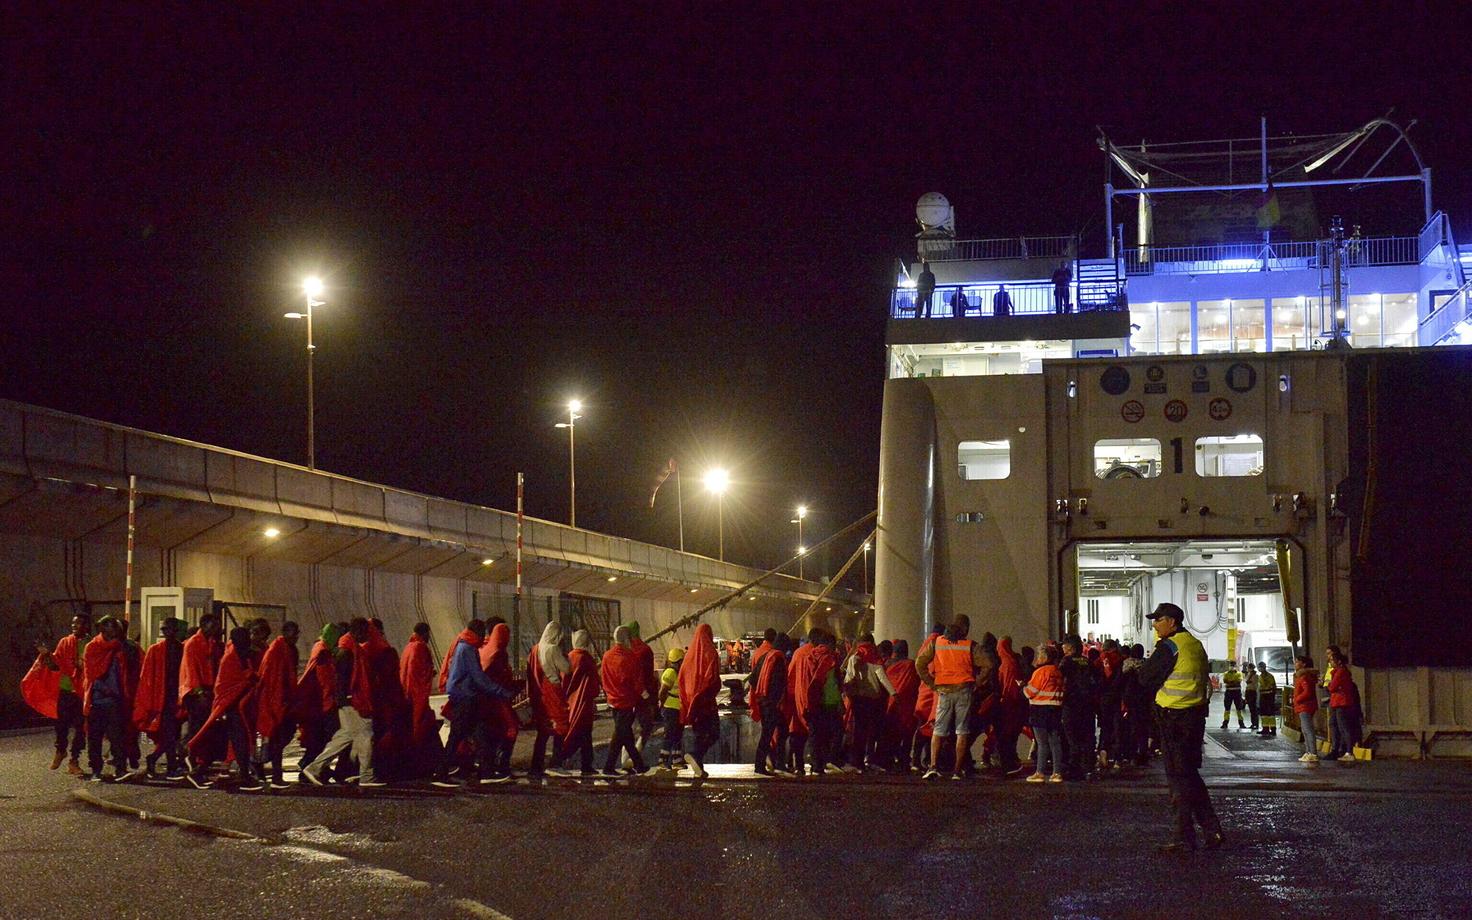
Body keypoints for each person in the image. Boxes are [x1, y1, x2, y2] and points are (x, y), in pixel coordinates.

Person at [1137, 603, 1224, 854]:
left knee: (1179, 780)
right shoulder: (1194, 644)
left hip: (1174, 719)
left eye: (1158, 620)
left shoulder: (1169, 646)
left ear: (1172, 622)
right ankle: (1211, 829)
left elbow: (1146, 678)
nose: (1154, 624)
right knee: (1189, 775)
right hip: (1194, 718)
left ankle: (1183, 836)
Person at [432, 619, 515, 787]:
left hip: (464, 697)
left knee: (479, 735)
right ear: (477, 632)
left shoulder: (462, 646)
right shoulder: (468, 649)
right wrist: (501, 692)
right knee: (458, 737)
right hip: (466, 698)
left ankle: (485, 772)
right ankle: (441, 773)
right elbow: (479, 678)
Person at [300, 618, 382, 788]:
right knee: (366, 734)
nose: (367, 635)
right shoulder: (347, 651)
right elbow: (342, 679)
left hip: (346, 701)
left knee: (345, 736)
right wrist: (349, 699)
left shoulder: (346, 647)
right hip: (352, 701)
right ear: (358, 631)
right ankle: (367, 776)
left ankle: (314, 768)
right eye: (365, 632)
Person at [914, 615, 994, 780]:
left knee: (938, 730)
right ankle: (957, 770)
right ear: (964, 629)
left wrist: (931, 683)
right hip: (964, 691)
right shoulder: (970, 645)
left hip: (943, 690)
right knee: (962, 731)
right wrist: (977, 683)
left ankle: (933, 766)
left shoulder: (937, 643)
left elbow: (919, 663)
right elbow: (989, 664)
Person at [185, 626, 260, 790]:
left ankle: (242, 776)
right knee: (231, 743)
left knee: (230, 743)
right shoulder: (230, 658)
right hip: (228, 708)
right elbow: (225, 685)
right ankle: (243, 777)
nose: (247, 642)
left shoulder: (241, 656)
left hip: (234, 707)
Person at [25, 613, 92, 775]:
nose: (74, 626)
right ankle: (61, 750)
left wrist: (83, 667)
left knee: (81, 727)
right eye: (73, 623)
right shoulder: (65, 642)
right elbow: (55, 666)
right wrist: (46, 654)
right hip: (65, 690)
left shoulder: (92, 643)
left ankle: (74, 760)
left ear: (86, 626)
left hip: (83, 692)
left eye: (78, 624)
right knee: (60, 725)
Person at [131, 617, 186, 780]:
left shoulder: (181, 649)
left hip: (176, 696)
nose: (166, 633)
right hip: (162, 698)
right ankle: (171, 767)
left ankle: (156, 759)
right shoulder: (156, 650)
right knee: (169, 734)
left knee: (173, 735)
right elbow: (147, 677)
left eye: (169, 629)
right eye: (164, 630)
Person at [81, 617, 135, 782]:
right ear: (104, 630)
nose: (116, 634)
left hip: (115, 698)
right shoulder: (93, 647)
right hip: (97, 698)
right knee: (95, 737)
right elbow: (91, 673)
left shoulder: (121, 648)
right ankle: (96, 770)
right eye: (113, 630)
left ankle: (120, 769)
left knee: (117, 736)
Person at [253, 620, 299, 789]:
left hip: (283, 701)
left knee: (278, 737)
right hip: (273, 700)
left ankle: (260, 766)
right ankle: (274, 775)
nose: (296, 637)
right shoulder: (276, 650)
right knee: (273, 738)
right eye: (293, 634)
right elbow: (270, 677)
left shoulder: (286, 649)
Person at [550, 630, 602, 777]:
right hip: (584, 703)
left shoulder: (568, 657)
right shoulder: (588, 660)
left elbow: (563, 680)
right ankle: (584, 764)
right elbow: (593, 686)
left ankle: (561, 759)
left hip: (569, 702)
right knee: (585, 734)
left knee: (569, 731)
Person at [842, 633, 895, 772]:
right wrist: (894, 693)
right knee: (871, 731)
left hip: (859, 699)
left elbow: (851, 677)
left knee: (858, 731)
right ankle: (870, 759)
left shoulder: (855, 658)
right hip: (875, 700)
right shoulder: (876, 659)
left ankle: (857, 762)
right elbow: (883, 678)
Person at [601, 626, 650, 776]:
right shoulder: (630, 658)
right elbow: (636, 682)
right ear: (627, 639)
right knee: (620, 735)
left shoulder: (607, 656)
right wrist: (646, 696)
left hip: (612, 701)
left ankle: (638, 764)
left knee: (625, 734)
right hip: (626, 702)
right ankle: (609, 767)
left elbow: (603, 678)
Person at [295, 623, 342, 773]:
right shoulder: (323, 653)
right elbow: (325, 681)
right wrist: (330, 703)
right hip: (320, 703)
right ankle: (310, 764)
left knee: (318, 737)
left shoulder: (319, 648)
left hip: (315, 702)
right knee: (325, 736)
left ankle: (311, 764)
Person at [527, 621, 571, 776]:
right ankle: (555, 763)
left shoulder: (535, 649)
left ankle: (535, 766)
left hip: (540, 693)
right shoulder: (553, 649)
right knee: (560, 726)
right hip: (552, 689)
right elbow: (566, 668)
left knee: (543, 731)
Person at [478, 621, 520, 777]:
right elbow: (500, 678)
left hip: (489, 701)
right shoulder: (498, 654)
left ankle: (494, 764)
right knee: (510, 729)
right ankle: (501, 764)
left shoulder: (486, 650)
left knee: (492, 734)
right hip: (498, 700)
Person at [178, 613, 222, 758]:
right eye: (213, 625)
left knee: (202, 726)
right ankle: (190, 754)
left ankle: (195, 754)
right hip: (195, 691)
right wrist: (199, 692)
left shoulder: (210, 642)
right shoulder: (193, 643)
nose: (216, 629)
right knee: (196, 725)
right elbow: (191, 670)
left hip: (206, 689)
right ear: (204, 625)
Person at [747, 628, 788, 775]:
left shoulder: (765, 656)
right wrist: (776, 701)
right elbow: (779, 682)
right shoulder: (778, 658)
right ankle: (768, 764)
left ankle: (768, 762)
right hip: (772, 703)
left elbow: (752, 679)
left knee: (768, 733)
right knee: (779, 731)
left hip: (762, 701)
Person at [1023, 644, 1065, 783]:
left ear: (1045, 657)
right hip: (1056, 708)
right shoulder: (1057, 671)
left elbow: (1030, 692)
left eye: (1040, 655)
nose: (1037, 658)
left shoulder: (1040, 672)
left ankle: (1040, 772)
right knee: (1055, 741)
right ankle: (1057, 773)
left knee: (1041, 742)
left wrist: (1022, 687)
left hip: (1040, 709)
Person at [400, 623, 438, 766]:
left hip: (408, 693)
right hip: (417, 694)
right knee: (421, 729)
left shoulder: (408, 647)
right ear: (425, 633)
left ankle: (437, 760)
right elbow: (420, 672)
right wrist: (430, 673)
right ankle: (424, 761)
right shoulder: (420, 647)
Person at [1059, 636, 1097, 780]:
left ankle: (1074, 769)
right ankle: (1088, 768)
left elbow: (1059, 677)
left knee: (1072, 737)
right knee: (1087, 737)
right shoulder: (1088, 661)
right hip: (1087, 704)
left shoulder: (1066, 661)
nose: (1063, 650)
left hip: (1071, 703)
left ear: (1071, 648)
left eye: (1064, 648)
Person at [880, 639, 920, 773]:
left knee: (889, 735)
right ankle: (903, 761)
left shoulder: (886, 665)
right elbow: (915, 685)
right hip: (907, 706)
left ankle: (888, 760)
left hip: (889, 704)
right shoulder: (911, 665)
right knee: (907, 735)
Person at [993, 636, 1027, 774]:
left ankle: (1007, 763)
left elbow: (1006, 684)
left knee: (1005, 734)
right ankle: (1009, 762)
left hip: (1007, 703)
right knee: (1010, 734)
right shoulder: (1012, 662)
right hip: (1013, 703)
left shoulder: (1005, 663)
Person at [623, 621, 659, 750]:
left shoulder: (625, 650)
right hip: (642, 694)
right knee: (646, 725)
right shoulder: (645, 649)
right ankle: (636, 753)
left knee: (626, 727)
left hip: (626, 694)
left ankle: (626, 756)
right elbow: (647, 675)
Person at [1325, 645, 1362, 762]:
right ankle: (1341, 750)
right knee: (1337, 726)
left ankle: (1349, 751)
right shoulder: (1337, 672)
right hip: (1337, 702)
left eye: (1332, 660)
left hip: (1341, 703)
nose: (1330, 662)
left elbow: (1332, 687)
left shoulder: (1341, 672)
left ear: (1338, 661)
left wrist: (1329, 684)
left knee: (1343, 727)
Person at [657, 647, 685, 770]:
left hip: (677, 707)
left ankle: (676, 759)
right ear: (678, 661)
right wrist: (661, 705)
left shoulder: (678, 673)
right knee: (669, 734)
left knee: (678, 733)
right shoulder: (670, 673)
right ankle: (662, 760)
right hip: (670, 708)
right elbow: (662, 692)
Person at [1292, 655, 1320, 763]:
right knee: (1305, 730)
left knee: (1308, 730)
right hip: (1304, 705)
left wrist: (1297, 699)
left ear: (1303, 664)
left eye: (1297, 662)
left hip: (1305, 705)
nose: (1295, 664)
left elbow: (1307, 692)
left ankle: (1312, 752)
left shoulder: (1304, 677)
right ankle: (1309, 751)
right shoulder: (1302, 676)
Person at [1220, 661, 1247, 730]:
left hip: (1236, 693)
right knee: (1227, 708)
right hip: (1229, 693)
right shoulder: (1226, 674)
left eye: (1233, 665)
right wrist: (1233, 682)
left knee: (1238, 708)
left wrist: (1230, 682)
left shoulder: (1239, 673)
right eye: (1231, 665)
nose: (1232, 667)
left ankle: (1241, 723)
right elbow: (1225, 681)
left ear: (1235, 666)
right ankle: (1225, 723)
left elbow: (1238, 681)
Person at [1256, 662, 1278, 737]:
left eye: (1261, 667)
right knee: (1263, 713)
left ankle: (1273, 729)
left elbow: (1272, 687)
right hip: (1263, 696)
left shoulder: (1269, 676)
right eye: (1259, 667)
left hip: (1269, 696)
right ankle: (1265, 729)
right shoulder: (1260, 676)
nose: (1260, 669)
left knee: (1270, 713)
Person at [1243, 660, 1260, 730]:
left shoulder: (1255, 675)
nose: (1247, 669)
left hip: (1252, 692)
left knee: (1253, 709)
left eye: (1248, 667)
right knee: (1251, 709)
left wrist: (1248, 680)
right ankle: (1253, 723)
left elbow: (1250, 683)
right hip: (1248, 692)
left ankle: (1255, 724)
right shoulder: (1249, 674)